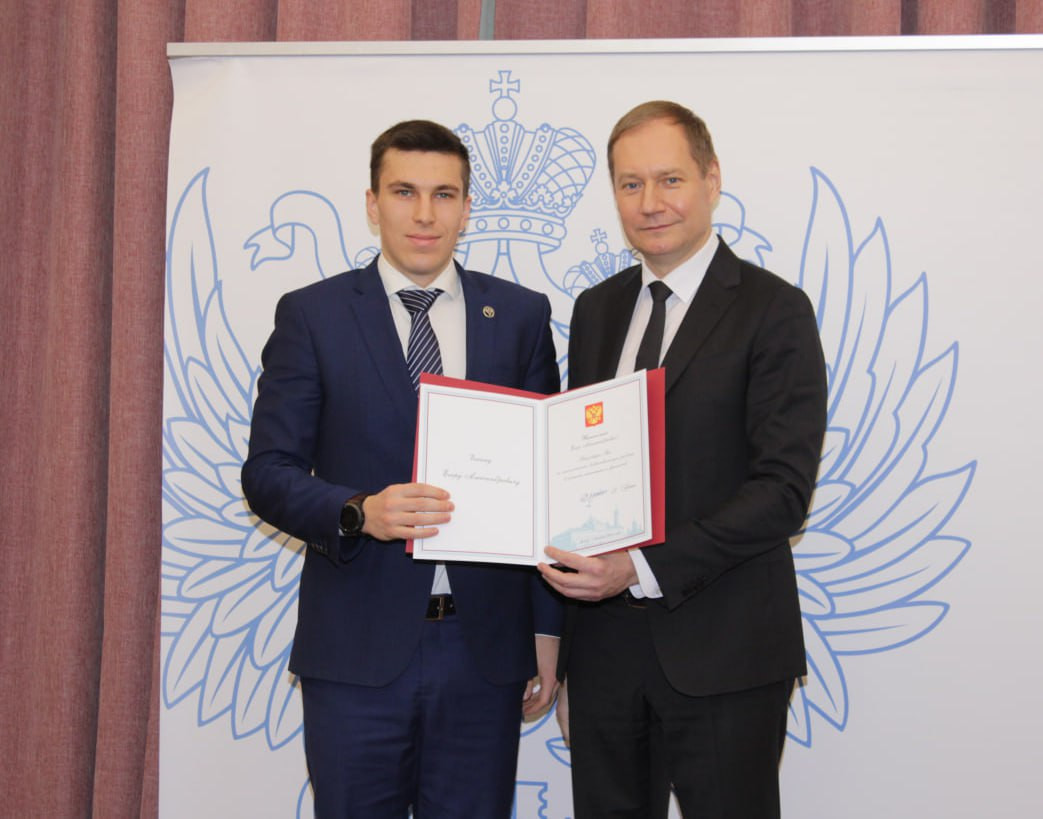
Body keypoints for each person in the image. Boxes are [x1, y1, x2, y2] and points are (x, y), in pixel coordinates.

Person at [242, 119, 562, 818]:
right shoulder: (313, 316)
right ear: (372, 202)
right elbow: (267, 472)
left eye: (444, 194)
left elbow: (546, 485)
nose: (424, 214)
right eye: (404, 192)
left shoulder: (519, 316)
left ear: (467, 208)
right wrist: (360, 511)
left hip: (484, 653)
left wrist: (547, 631)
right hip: (354, 652)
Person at [538, 101, 827, 818]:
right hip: (605, 656)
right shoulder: (596, 309)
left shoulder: (774, 309)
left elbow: (782, 491)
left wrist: (639, 567)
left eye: (669, 179)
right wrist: (568, 654)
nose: (650, 202)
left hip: (725, 651)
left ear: (711, 179)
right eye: (630, 184)